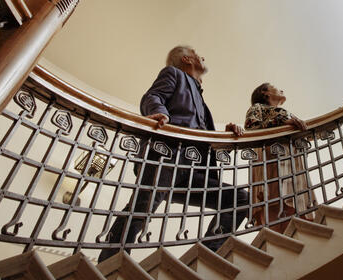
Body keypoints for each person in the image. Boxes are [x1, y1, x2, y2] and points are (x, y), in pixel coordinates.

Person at [98, 46, 249, 262]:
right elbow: (153, 96)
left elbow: (203, 137)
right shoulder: (173, 74)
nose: (203, 55)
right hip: (168, 153)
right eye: (198, 52)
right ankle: (109, 263)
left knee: (239, 198)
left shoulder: (202, 101)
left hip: (195, 170)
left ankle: (206, 257)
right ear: (187, 59)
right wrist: (158, 113)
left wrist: (224, 137)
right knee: (143, 206)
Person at [244, 83, 316, 233]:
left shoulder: (289, 115)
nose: (282, 89)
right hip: (270, 159)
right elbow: (251, 126)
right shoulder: (258, 107)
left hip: (292, 163)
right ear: (265, 93)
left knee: (297, 205)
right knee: (274, 202)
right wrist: (282, 122)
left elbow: (309, 133)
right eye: (275, 87)